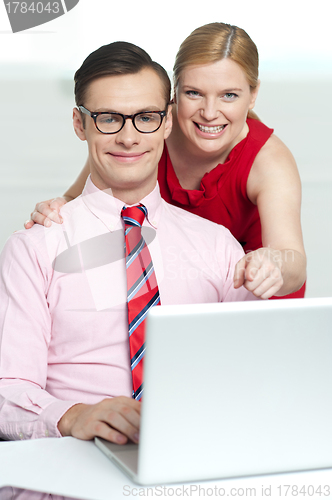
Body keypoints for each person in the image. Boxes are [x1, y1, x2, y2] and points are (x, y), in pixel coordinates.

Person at [0, 41, 257, 444]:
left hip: (190, 459)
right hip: (71, 466)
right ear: (79, 123)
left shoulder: (218, 246)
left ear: (168, 121)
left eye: (145, 118)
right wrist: (71, 416)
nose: (128, 137)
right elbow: (8, 389)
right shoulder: (35, 247)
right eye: (107, 119)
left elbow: (254, 373)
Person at [25, 23, 307, 301]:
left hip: (256, 296)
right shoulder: (146, 131)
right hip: (176, 294)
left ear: (253, 95)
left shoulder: (268, 161)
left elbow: (293, 261)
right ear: (174, 93)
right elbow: (78, 199)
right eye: (193, 93)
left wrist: (274, 263)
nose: (210, 113)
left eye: (229, 95)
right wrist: (54, 209)